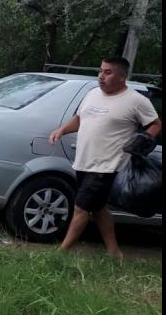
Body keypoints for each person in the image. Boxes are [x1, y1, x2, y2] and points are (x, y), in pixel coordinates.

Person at [49, 56, 161, 258]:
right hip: (83, 161)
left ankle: (61, 254)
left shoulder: (136, 100)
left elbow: (156, 124)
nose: (101, 76)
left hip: (107, 165)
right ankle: (114, 253)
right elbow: (80, 119)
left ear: (121, 76)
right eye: (100, 71)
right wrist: (62, 130)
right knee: (98, 209)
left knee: (81, 208)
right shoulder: (92, 94)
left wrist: (144, 139)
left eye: (107, 72)